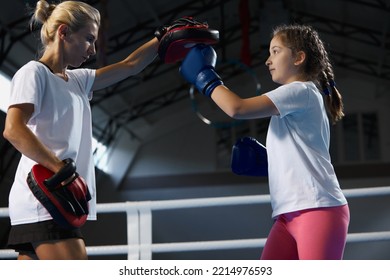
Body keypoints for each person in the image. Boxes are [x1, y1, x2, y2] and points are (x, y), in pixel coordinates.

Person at [3, 0, 159, 260]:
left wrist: (163, 38)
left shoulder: (78, 80)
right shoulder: (33, 73)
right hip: (42, 197)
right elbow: (13, 129)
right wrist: (59, 168)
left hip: (55, 198)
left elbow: (131, 65)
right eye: (88, 39)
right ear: (63, 32)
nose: (93, 50)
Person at [179, 24, 350, 260]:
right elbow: (302, 151)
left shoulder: (300, 91)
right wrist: (271, 163)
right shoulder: (299, 98)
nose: (268, 60)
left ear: (299, 57)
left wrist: (204, 77)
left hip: (317, 208)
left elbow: (236, 108)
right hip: (286, 216)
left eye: (276, 52)